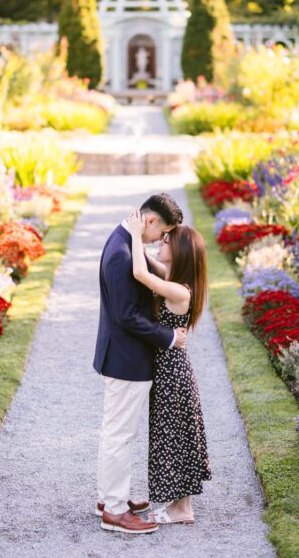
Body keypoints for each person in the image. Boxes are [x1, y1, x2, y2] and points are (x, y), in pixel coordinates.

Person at [94, 194, 187, 535]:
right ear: (149, 221)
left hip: (123, 355)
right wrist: (168, 337)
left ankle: (109, 498)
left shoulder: (123, 241)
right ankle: (115, 512)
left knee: (116, 431)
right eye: (163, 232)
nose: (162, 240)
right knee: (119, 434)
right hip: (126, 358)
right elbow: (126, 315)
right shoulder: (121, 253)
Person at [126, 211, 211, 526]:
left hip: (172, 373)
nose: (160, 242)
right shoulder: (174, 279)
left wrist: (135, 233)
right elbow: (148, 263)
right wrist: (141, 233)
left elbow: (140, 272)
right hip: (170, 369)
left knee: (174, 436)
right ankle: (180, 505)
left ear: (180, 251)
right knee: (174, 436)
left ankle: (182, 509)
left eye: (167, 240)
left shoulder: (179, 291)